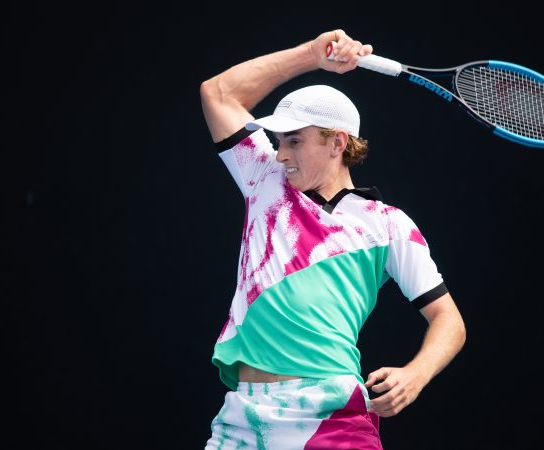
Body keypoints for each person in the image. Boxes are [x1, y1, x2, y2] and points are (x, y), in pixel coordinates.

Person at [199, 29, 466, 450]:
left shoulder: (388, 225)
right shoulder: (263, 178)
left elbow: (449, 320)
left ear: (337, 142)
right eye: (279, 142)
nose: (281, 154)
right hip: (245, 419)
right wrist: (311, 55)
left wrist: (416, 374)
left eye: (294, 141)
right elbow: (218, 93)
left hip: (333, 417)